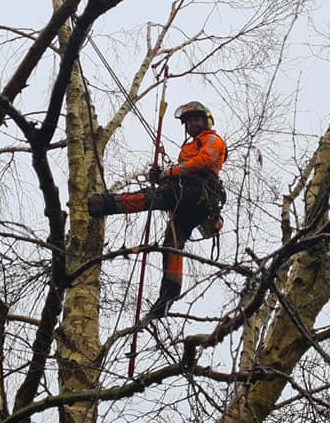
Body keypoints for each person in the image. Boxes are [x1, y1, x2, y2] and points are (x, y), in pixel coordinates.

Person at [88, 101, 227, 318]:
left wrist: (169, 173)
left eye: (196, 120)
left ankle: (105, 204)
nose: (191, 124)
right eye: (188, 122)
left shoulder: (211, 139)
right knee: (171, 246)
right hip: (188, 201)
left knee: (152, 198)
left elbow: (205, 160)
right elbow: (182, 170)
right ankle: (168, 296)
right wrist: (162, 174)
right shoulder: (190, 146)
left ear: (206, 121)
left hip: (195, 194)